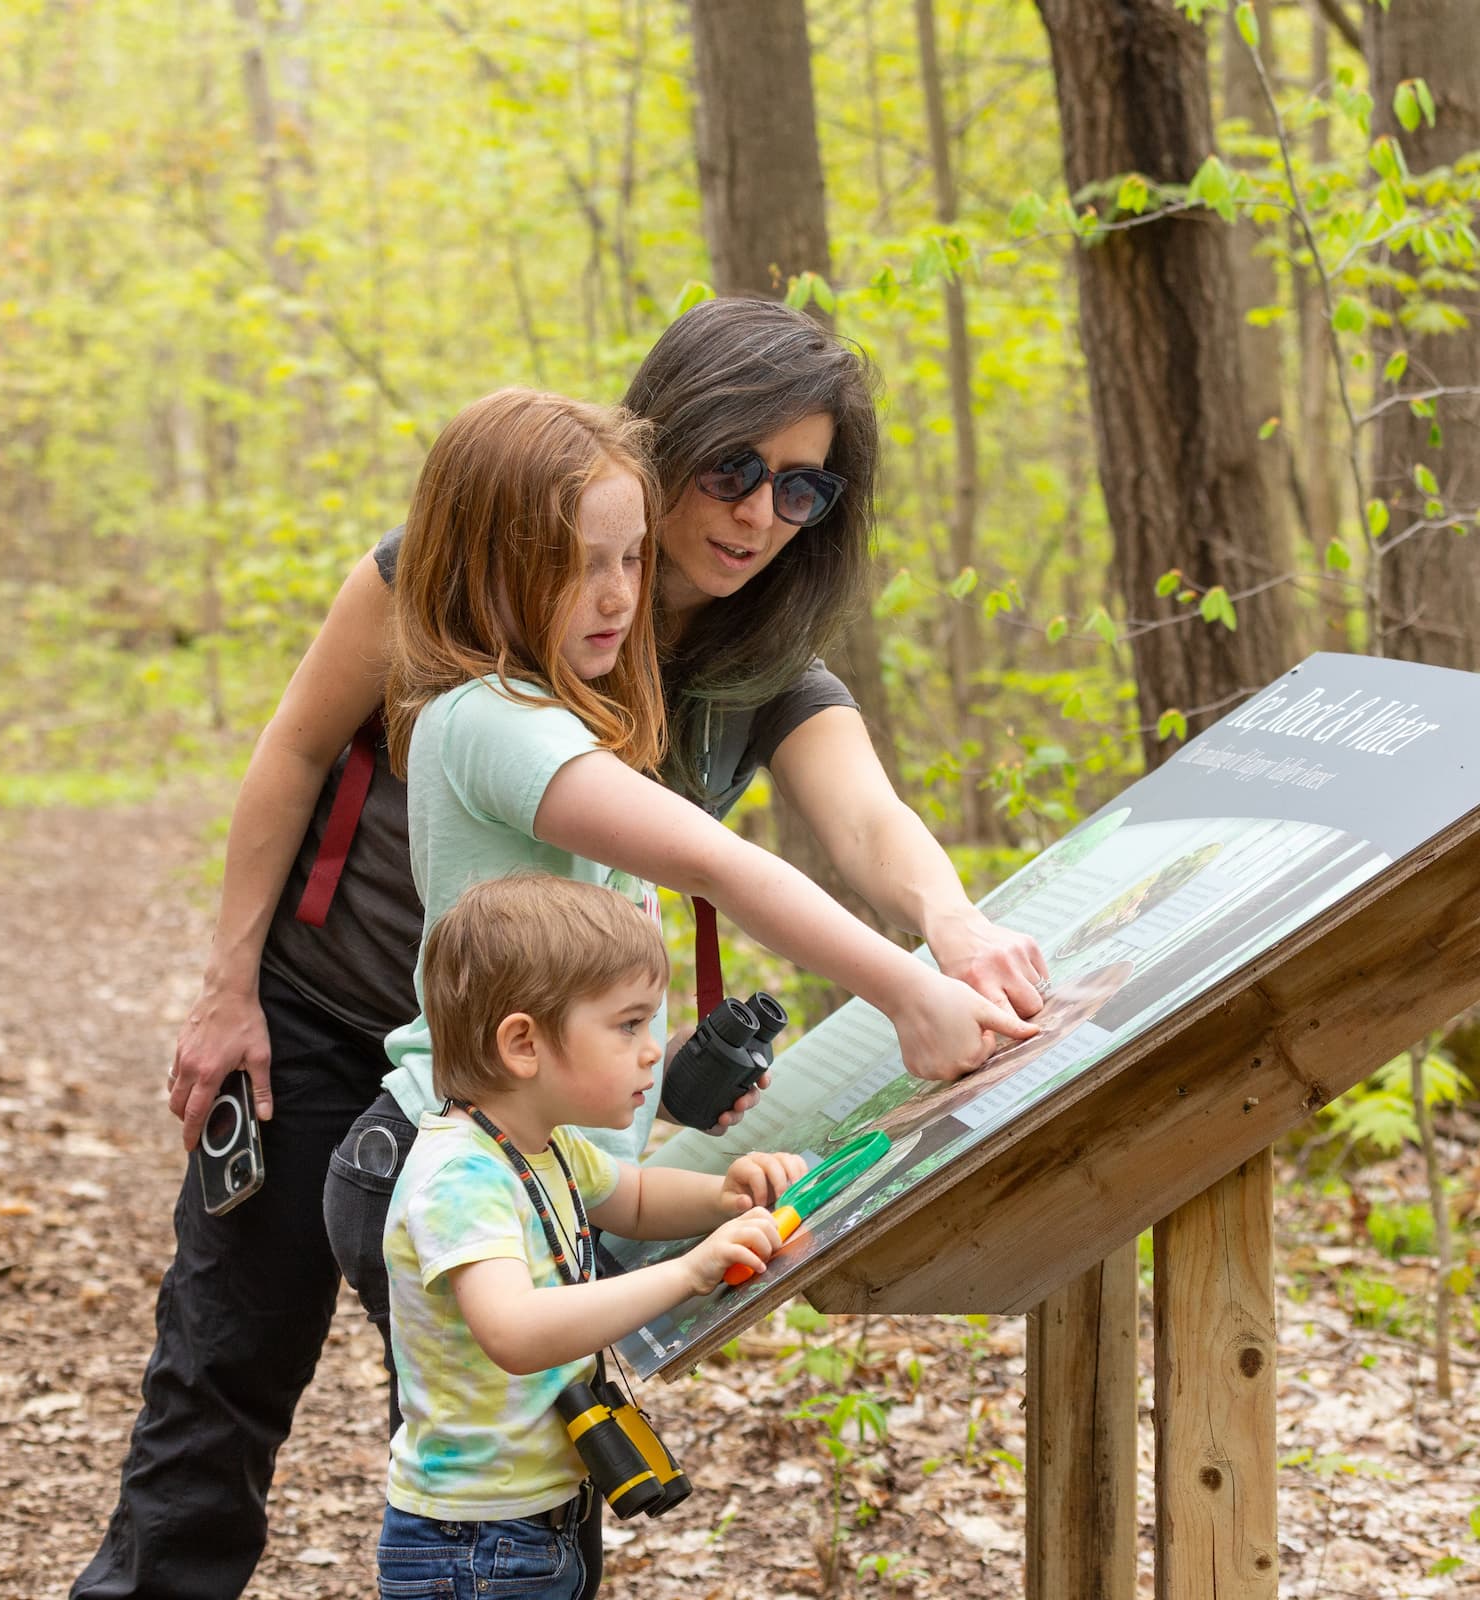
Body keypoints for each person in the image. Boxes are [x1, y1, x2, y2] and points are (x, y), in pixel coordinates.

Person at [71, 299, 1046, 1600]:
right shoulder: (481, 578)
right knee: (224, 1386)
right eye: (733, 468)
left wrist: (955, 923)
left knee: (516, 1449)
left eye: (802, 488)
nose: (758, 514)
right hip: (328, 1022)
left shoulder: (759, 666)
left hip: (525, 1106)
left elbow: (867, 817)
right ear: (665, 440)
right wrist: (226, 988)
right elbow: (298, 745)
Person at [378, 872, 803, 1600]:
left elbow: (632, 1199)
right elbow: (514, 1331)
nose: (651, 1051)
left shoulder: (543, 1144)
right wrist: (686, 1273)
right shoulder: (462, 1177)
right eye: (628, 1024)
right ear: (524, 1044)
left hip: (532, 1523)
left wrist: (723, 1195)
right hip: (474, 1548)